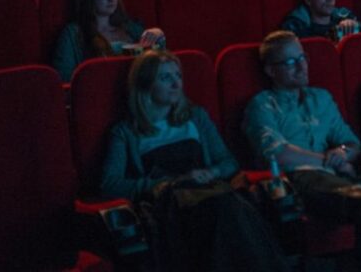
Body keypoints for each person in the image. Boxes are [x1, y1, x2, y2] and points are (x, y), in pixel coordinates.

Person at [244, 31, 361, 272]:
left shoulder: (321, 98)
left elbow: (351, 143)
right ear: (270, 70)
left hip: (339, 180)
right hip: (300, 181)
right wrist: (327, 161)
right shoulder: (263, 104)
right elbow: (276, 154)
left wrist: (342, 153)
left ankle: (359, 194)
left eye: (302, 58)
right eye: (290, 62)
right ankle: (360, 196)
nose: (301, 66)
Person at [102, 50, 289, 272]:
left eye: (178, 76)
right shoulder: (126, 132)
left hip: (210, 190)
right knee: (225, 209)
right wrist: (162, 183)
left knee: (230, 206)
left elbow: (228, 162)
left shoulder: (195, 117)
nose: (176, 84)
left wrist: (212, 172)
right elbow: (110, 184)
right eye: (165, 78)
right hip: (172, 203)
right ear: (145, 85)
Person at [52, 0, 165, 81]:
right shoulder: (73, 33)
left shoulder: (130, 27)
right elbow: (65, 77)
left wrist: (158, 35)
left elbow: (157, 62)